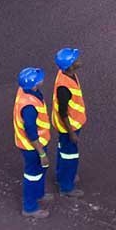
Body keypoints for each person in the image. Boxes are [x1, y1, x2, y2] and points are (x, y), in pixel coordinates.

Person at [13, 67, 52, 218]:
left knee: (40, 170)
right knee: (32, 175)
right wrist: (41, 153)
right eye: (38, 78)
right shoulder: (29, 106)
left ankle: (39, 194)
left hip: (37, 143)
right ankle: (30, 207)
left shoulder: (25, 90)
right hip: (33, 147)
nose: (42, 79)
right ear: (34, 84)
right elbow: (31, 132)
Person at [52, 47, 86, 197]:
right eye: (75, 59)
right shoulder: (64, 87)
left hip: (68, 125)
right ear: (70, 66)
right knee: (70, 156)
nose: (79, 60)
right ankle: (67, 187)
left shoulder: (67, 74)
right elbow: (63, 112)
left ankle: (61, 177)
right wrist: (71, 132)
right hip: (69, 126)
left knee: (63, 151)